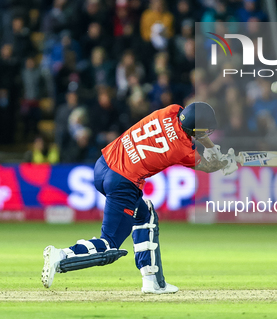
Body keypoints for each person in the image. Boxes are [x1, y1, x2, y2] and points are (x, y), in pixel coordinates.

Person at [41, 102, 237, 293]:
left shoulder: (172, 110)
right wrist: (225, 162)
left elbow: (196, 132)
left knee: (146, 215)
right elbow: (208, 166)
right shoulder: (181, 149)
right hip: (123, 183)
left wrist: (212, 149)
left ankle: (153, 282)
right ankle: (61, 255)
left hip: (103, 164)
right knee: (109, 244)